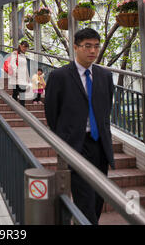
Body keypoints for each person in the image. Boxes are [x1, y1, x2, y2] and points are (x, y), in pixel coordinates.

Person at [44, 28, 115, 225]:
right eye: (87, 46)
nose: (92, 51)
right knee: (85, 197)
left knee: (99, 196)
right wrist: (64, 138)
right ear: (75, 47)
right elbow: (51, 111)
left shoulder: (105, 76)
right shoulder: (60, 76)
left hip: (99, 144)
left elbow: (105, 110)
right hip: (76, 145)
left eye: (96, 46)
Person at [9, 40, 30, 107]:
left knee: (22, 93)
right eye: (24, 47)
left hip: (23, 77)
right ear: (20, 46)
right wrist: (16, 73)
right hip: (16, 77)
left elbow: (25, 67)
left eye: (26, 47)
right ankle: (14, 107)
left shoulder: (24, 56)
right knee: (15, 93)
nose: (25, 49)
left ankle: (22, 107)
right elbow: (12, 64)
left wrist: (27, 77)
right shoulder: (15, 53)